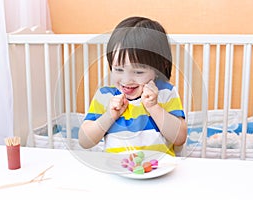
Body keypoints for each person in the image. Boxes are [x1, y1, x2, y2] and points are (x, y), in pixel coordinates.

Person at [78, 16, 187, 156]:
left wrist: (154, 107)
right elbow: (84, 141)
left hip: (158, 169)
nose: (127, 80)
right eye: (118, 69)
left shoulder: (166, 92)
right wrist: (110, 115)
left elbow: (180, 138)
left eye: (138, 71)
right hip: (118, 171)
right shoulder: (105, 96)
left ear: (159, 68)